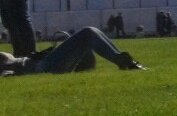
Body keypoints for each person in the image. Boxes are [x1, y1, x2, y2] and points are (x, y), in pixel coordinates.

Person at [1, 26, 146, 75]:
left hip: (41, 62)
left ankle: (123, 60)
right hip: (40, 67)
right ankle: (124, 62)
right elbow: (7, 73)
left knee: (91, 32)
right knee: (88, 32)